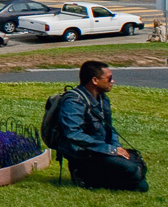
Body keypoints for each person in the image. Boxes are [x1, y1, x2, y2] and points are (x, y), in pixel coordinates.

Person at [51, 60, 148, 192]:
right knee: (133, 173)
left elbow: (109, 128)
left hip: (100, 151)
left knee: (137, 165)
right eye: (109, 78)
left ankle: (104, 176)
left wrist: (116, 148)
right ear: (95, 80)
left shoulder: (103, 99)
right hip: (83, 154)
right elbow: (73, 134)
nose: (112, 81)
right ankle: (83, 175)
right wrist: (110, 150)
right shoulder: (73, 101)